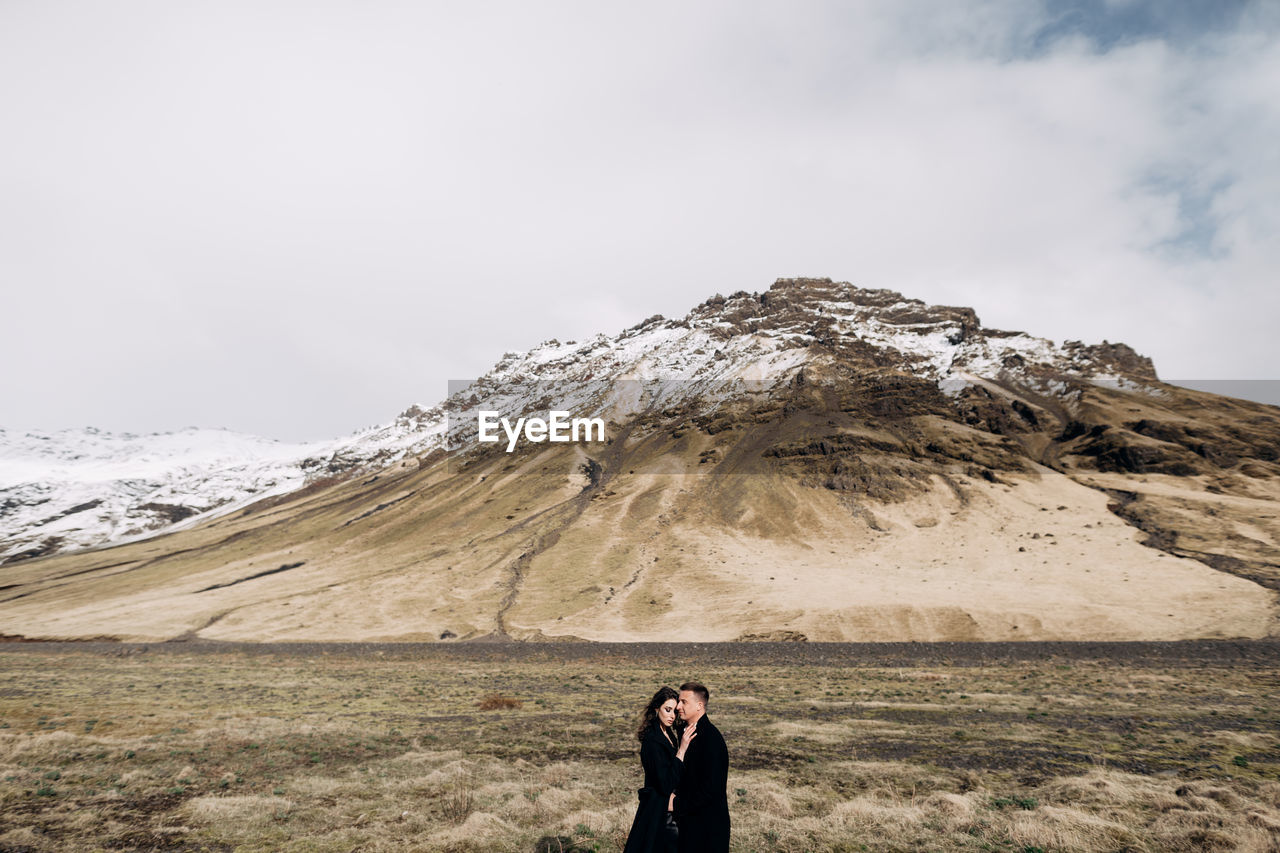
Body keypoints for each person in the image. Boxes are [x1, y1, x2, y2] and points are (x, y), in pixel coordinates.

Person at [623, 686, 696, 853]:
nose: (671, 716)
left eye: (674, 711)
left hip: (666, 809)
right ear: (657, 709)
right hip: (658, 812)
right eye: (667, 710)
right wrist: (682, 750)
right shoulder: (652, 740)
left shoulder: (668, 734)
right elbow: (665, 783)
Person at [671, 681, 729, 852]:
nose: (678, 706)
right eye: (678, 701)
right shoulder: (684, 732)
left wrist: (675, 804)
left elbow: (711, 789)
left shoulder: (711, 739)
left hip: (707, 830)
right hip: (689, 824)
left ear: (699, 705)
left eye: (684, 702)